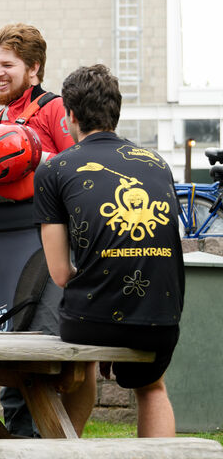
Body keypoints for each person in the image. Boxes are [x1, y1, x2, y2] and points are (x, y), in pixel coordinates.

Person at [0, 23, 88, 437]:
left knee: (42, 353)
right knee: (5, 359)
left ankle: (55, 446)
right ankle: (18, 443)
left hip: (41, 247)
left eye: (7, 64)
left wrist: (29, 161)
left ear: (34, 68)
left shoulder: (54, 109)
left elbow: (80, 172)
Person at [35, 64, 182, 437]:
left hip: (92, 317)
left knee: (82, 371)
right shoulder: (158, 164)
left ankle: (68, 449)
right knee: (152, 388)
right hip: (160, 315)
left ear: (70, 115)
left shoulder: (55, 169)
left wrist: (100, 316)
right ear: (115, 112)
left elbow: (60, 274)